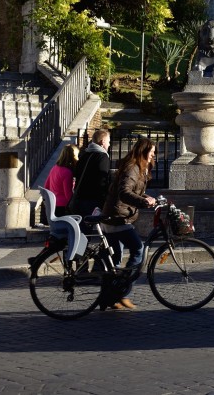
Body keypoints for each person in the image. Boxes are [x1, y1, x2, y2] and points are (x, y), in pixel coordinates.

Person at [100, 137, 158, 311]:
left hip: (115, 216)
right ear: (143, 151)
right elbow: (124, 192)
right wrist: (143, 201)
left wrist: (144, 198)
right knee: (138, 249)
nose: (153, 155)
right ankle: (122, 291)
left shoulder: (138, 168)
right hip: (117, 217)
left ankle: (111, 297)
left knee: (115, 260)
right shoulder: (133, 168)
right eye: (152, 152)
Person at [70, 129, 112, 217]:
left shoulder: (84, 155)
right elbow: (102, 179)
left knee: (81, 229)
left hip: (79, 198)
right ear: (102, 141)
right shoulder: (102, 157)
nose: (109, 144)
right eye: (108, 141)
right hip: (92, 200)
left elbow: (76, 174)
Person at [44, 144, 79, 217]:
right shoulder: (67, 172)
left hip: (53, 205)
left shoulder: (54, 168)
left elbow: (46, 186)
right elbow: (68, 194)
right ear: (74, 156)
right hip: (64, 207)